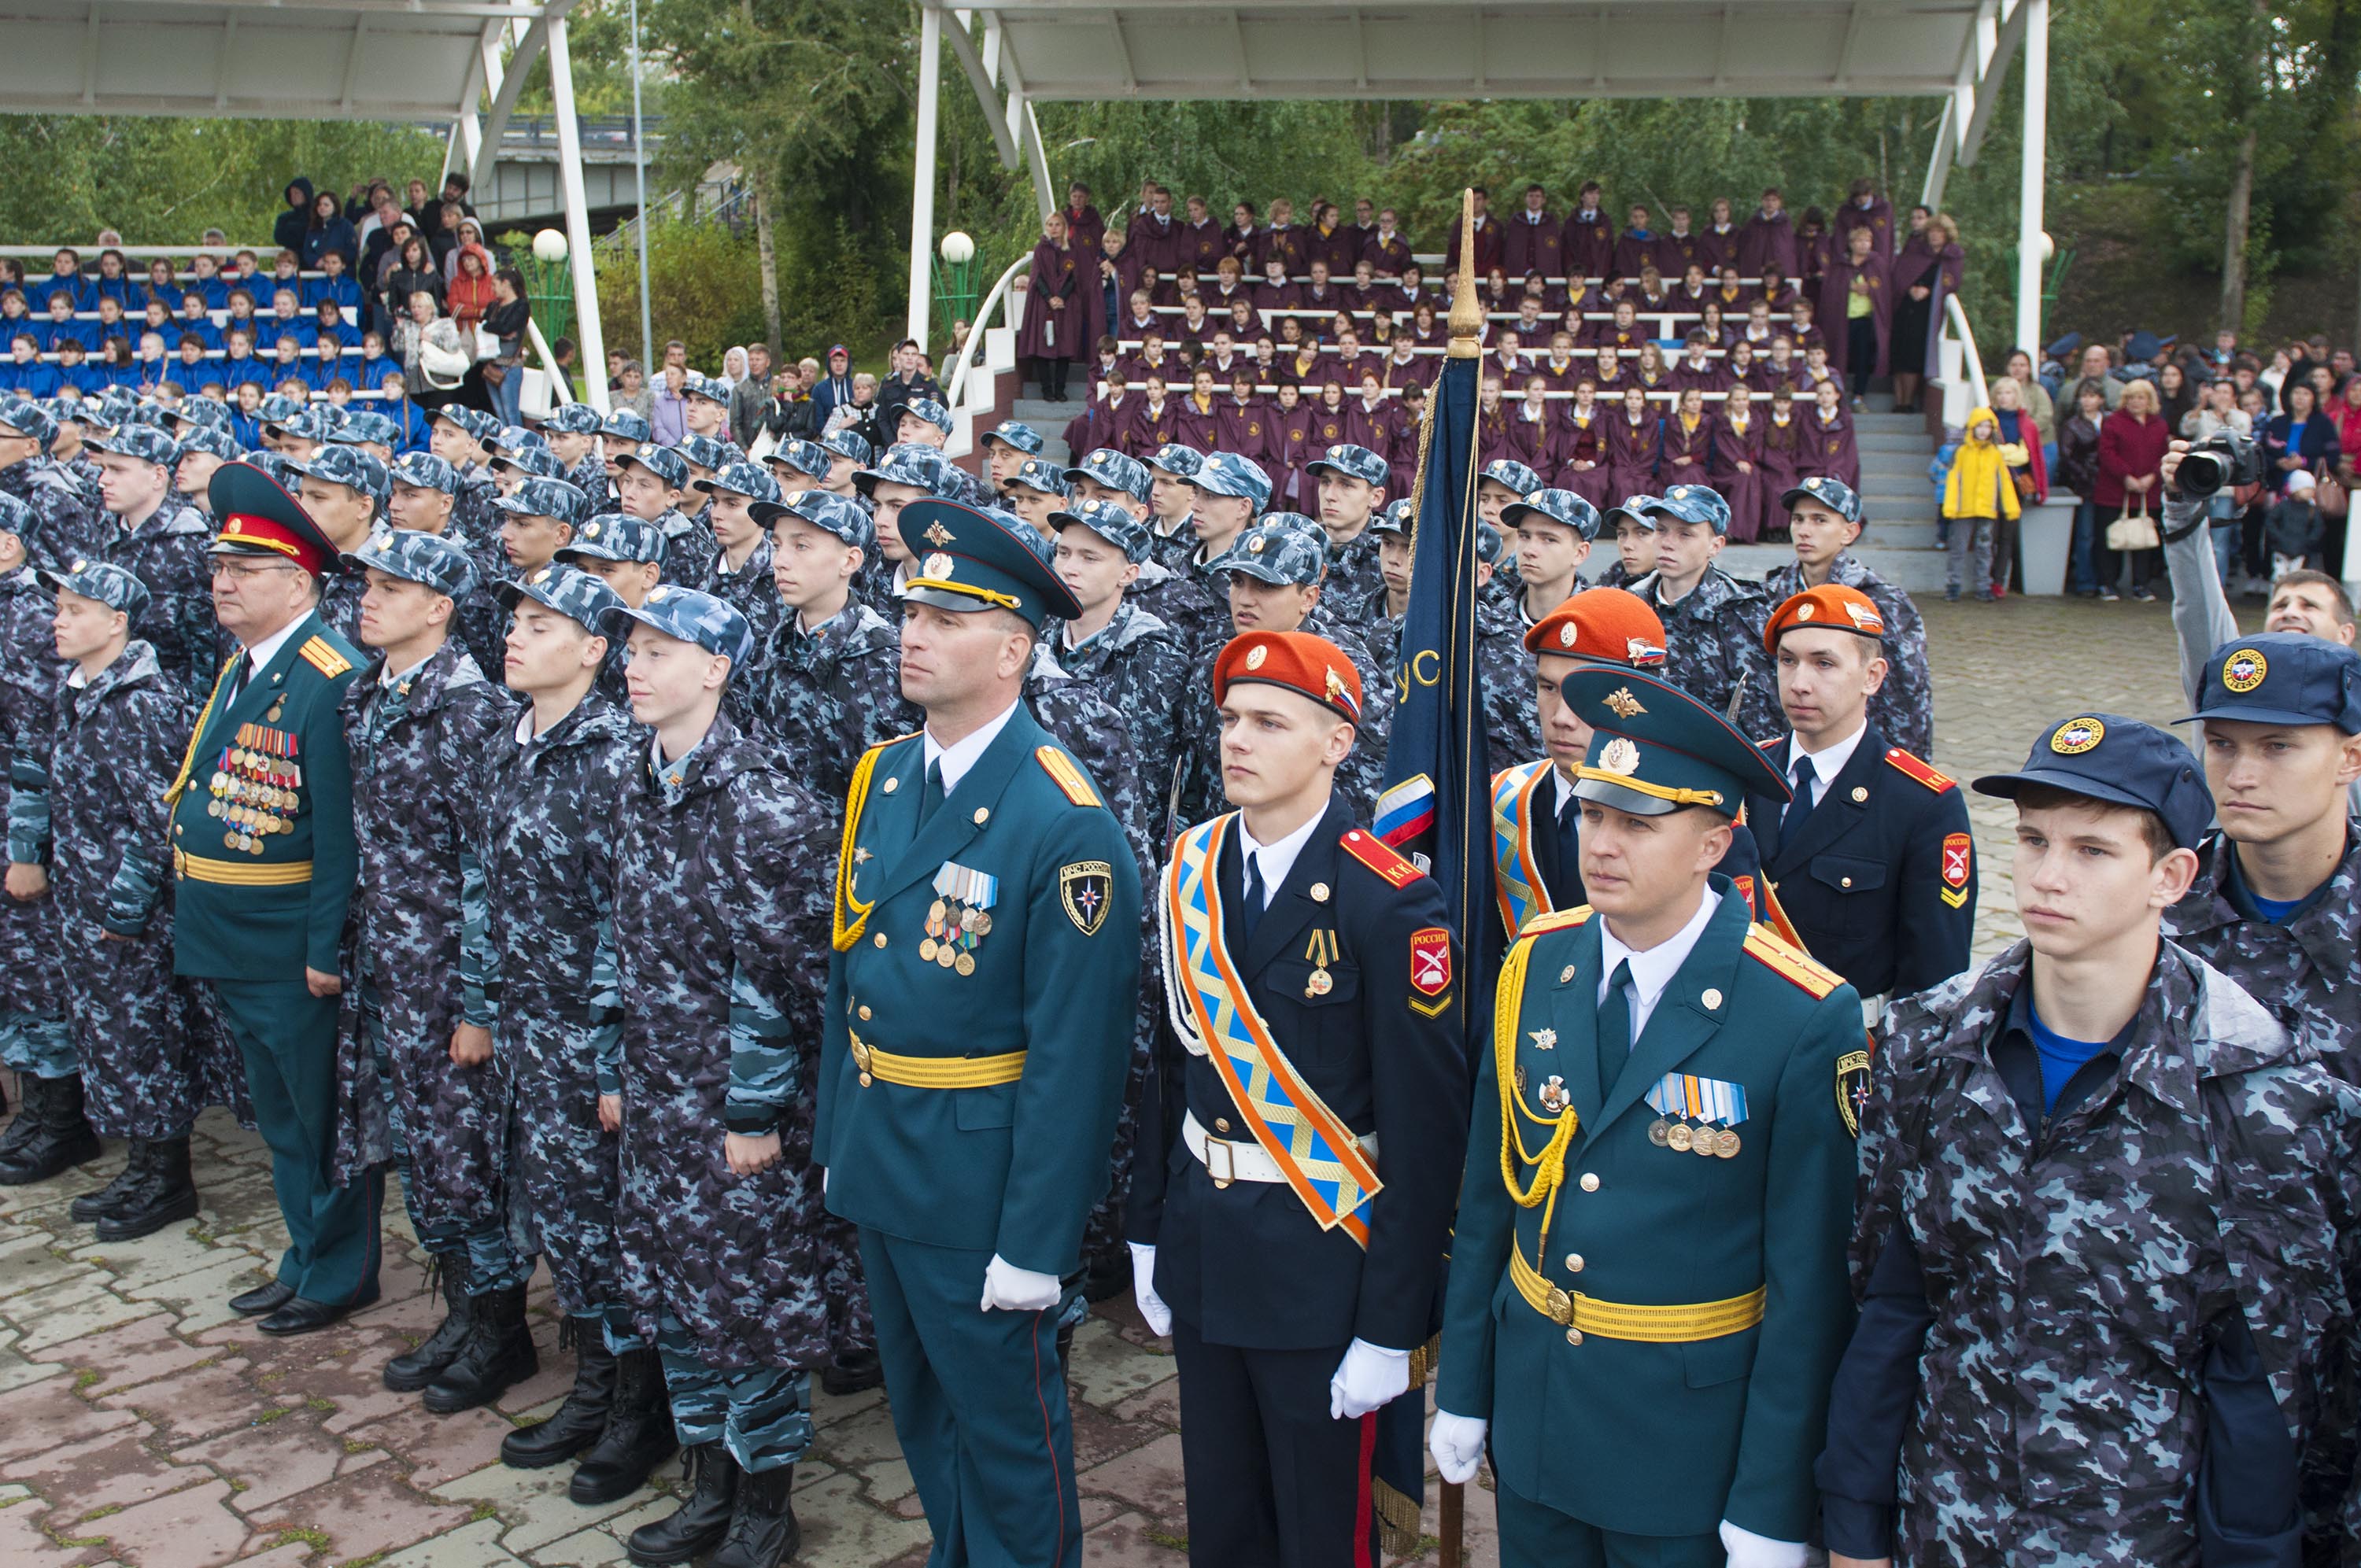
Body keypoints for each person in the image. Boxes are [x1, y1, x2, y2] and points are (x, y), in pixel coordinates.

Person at [1820, 712, 2359, 1567]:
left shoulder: (2262, 1100)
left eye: (2093, 850)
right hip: (1944, 1526)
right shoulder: (1931, 1047)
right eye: (2034, 840)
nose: (2047, 875)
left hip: (2135, 1539)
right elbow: (1894, 1300)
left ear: (2171, 875)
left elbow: (2262, 1388)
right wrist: (1854, 1525)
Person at [1432, 663, 1861, 1568]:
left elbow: (1809, 1291)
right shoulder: (1536, 964)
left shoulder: (1799, 1014)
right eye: (1592, 814)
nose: (1602, 845)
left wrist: (1771, 1502)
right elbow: (1486, 1205)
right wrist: (1466, 1388)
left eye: (1637, 823)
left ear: (1713, 843)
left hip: (1683, 1455)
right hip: (1539, 1421)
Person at [816, 500, 1142, 1568]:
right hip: (885, 1154)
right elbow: (852, 975)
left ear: (1012, 649)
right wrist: (836, 1142)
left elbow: (1078, 1059)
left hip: (978, 1180)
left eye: (949, 617)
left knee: (1009, 1439)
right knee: (923, 1419)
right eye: (912, 608)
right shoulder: (886, 775)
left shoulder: (1064, 819)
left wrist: (1039, 1243)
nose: (913, 631)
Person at [1129, 628, 1465, 1566]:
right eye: (1231, 718)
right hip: (1207, 1250)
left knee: (1322, 1535)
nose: (1237, 739)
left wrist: (1393, 1327)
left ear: (1336, 742)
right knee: (1225, 1525)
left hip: (1325, 1272)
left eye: (1271, 722)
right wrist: (1149, 1227)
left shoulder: (1389, 902)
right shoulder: (1189, 868)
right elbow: (1170, 1065)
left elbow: (1424, 1134)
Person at [605, 584, 833, 1568]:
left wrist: (751, 1109)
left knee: (751, 1303)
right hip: (656, 1091)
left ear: (716, 668)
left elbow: (778, 978)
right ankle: (707, 1484)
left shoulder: (765, 804)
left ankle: (765, 1506)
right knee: (674, 1293)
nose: (635, 666)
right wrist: (617, 1066)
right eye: (631, 649)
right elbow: (619, 939)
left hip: (735, 1110)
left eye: (660, 651)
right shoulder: (638, 779)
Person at [480, 564, 678, 1500]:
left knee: (610, 1221)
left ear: (595, 651)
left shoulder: (611, 755)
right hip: (527, 1028)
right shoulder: (513, 741)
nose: (516, 636)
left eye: (543, 625)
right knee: (562, 1213)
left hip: (587, 1038)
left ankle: (641, 1406)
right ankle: (598, 1384)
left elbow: (622, 918)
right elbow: (486, 886)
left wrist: (610, 1058)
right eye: (515, 619)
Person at [175, 463, 375, 1335]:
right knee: (282, 1118)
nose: (222, 583)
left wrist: (323, 949)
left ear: (297, 581)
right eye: (219, 568)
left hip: (288, 941)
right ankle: (303, 1254)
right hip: (231, 935)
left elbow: (338, 834)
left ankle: (338, 1272)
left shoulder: (328, 674)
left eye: (242, 571)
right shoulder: (245, 666)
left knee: (318, 1113)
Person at [23, 559, 205, 1234]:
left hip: (129, 917)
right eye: (59, 608)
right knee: (108, 1038)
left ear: (117, 622)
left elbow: (162, 818)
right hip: (85, 904)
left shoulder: (142, 702)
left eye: (74, 610)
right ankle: (139, 1165)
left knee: (145, 1037)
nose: (58, 621)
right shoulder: (78, 690)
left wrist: (124, 913)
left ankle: (166, 1177)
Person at [1487, 588, 1772, 943]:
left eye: (1583, 696)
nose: (1561, 717)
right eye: (1548, 688)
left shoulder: (1695, 817)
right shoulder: (1502, 802)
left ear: (1642, 696)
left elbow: (1730, 961)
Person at [1744, 583, 1974, 1006]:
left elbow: (1934, 975)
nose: (1799, 683)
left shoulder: (1922, 804)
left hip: (1850, 1047)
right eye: (1787, 661)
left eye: (1824, 664)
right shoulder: (1742, 773)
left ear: (1873, 677)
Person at [0, 493, 79, 1188]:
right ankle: (31, 1104)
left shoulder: (28, 616)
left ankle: (58, 1115)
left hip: (18, 822)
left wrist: (27, 849)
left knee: (33, 971)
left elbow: (36, 740)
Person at [1620, 486, 1783, 739]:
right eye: (1661, 530)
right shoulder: (1628, 604)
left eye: (1685, 534)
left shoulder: (1743, 613)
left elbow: (1763, 722)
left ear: (1715, 546)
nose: (1667, 543)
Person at [2096, 378, 2170, 601]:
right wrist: (2126, 475)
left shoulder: (2160, 425)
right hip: (2114, 491)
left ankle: (2142, 585)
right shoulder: (2113, 422)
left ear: (2149, 401)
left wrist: (2152, 476)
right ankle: (2108, 583)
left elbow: (2164, 454)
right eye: (2131, 398)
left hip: (2149, 491)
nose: (2136, 402)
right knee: (2111, 538)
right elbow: (2106, 453)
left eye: (2141, 398)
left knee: (2144, 539)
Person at [1939, 404, 2021, 603]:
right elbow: (1953, 481)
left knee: (1984, 550)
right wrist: (1950, 507)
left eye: (1988, 426)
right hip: (1962, 510)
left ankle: (1983, 585)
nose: (1984, 430)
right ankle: (1953, 585)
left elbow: (2004, 482)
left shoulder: (1995, 454)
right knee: (1958, 548)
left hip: (1987, 510)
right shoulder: (1962, 453)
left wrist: (2011, 507)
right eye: (1980, 426)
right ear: (1972, 428)